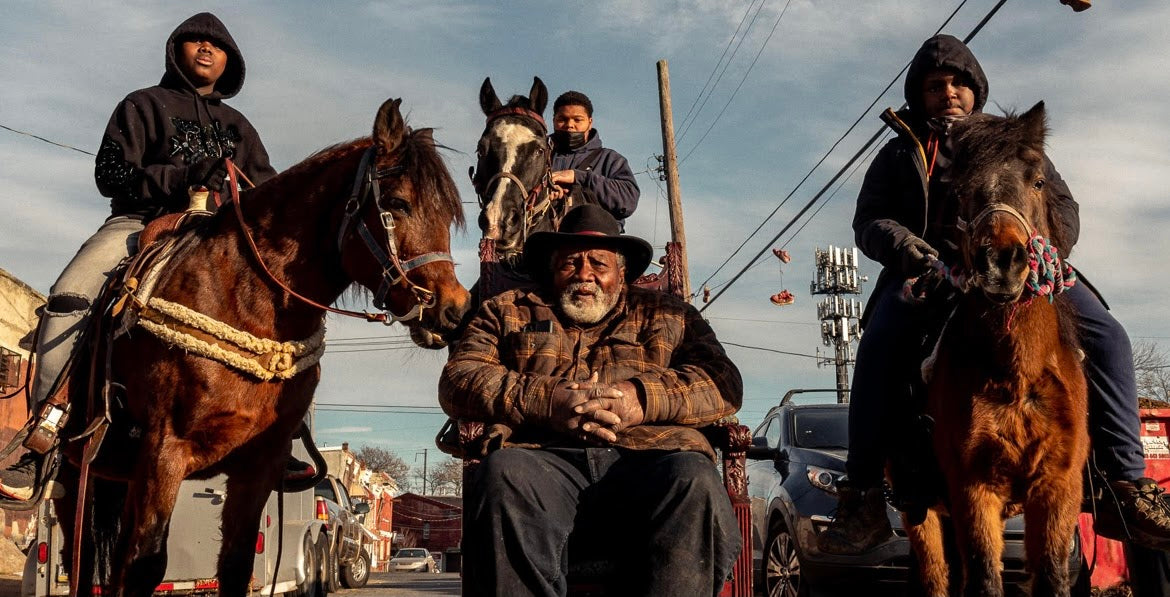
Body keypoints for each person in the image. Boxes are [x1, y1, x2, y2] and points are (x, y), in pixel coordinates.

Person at [817, 34, 1170, 554]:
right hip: (932, 271)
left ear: (976, 89)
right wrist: (908, 248)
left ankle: (1124, 485)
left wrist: (1044, 248)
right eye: (936, 86)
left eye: (959, 82)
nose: (949, 93)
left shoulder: (1013, 142)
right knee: (880, 340)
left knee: (1112, 338)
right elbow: (869, 220)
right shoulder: (900, 152)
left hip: (1025, 267)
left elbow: (1063, 207)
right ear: (920, 94)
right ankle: (863, 494)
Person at [0, 13, 293, 502]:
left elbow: (267, 187)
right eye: (195, 40)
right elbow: (110, 174)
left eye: (217, 46)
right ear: (175, 50)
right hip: (139, 223)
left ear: (229, 62)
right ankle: (44, 433)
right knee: (70, 297)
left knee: (286, 311)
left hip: (221, 235)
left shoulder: (239, 128)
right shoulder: (142, 105)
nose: (206, 48)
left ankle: (283, 437)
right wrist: (180, 178)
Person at [439, 204, 742, 596]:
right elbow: (459, 377)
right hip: (542, 457)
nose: (584, 274)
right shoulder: (506, 309)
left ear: (622, 273)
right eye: (570, 263)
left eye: (599, 264)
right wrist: (547, 399)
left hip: (652, 458)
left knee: (694, 480)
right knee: (503, 475)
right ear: (552, 268)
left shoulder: (672, 315)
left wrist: (640, 399)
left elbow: (723, 383)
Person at [547, 91, 640, 228]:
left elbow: (628, 200)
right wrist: (544, 192)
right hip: (543, 241)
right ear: (554, 120)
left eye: (577, 120)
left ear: (590, 122)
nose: (570, 125)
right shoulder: (536, 157)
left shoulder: (610, 159)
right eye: (562, 119)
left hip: (597, 242)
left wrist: (579, 177)